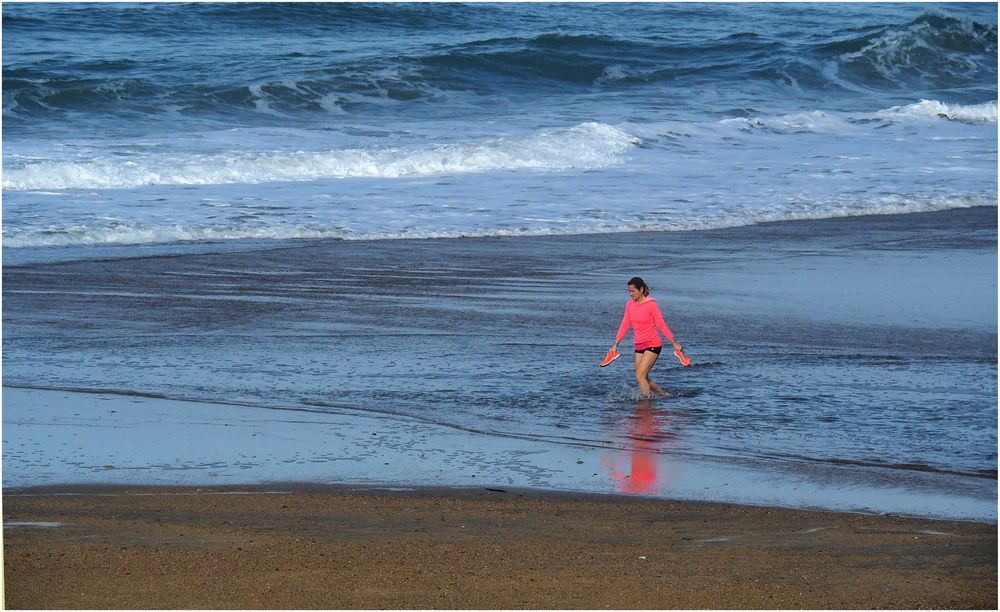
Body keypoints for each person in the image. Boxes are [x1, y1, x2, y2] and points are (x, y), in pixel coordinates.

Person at [609, 276, 683, 397]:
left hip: (653, 344)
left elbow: (661, 325)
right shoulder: (630, 305)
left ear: (641, 289)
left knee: (640, 376)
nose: (631, 294)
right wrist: (615, 344)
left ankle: (646, 404)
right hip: (639, 345)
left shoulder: (651, 305)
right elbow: (625, 324)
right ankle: (664, 395)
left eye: (633, 291)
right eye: (629, 291)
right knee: (641, 378)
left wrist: (674, 342)